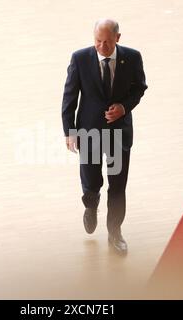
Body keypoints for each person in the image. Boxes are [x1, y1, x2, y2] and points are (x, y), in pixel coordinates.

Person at [61, 18, 148, 255]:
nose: (102, 46)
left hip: (119, 132)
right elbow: (70, 96)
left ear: (118, 38)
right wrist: (69, 131)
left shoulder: (132, 57)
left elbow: (139, 88)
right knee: (90, 180)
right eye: (98, 41)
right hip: (88, 131)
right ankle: (91, 204)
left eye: (107, 42)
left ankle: (115, 232)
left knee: (118, 185)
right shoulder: (80, 58)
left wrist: (124, 107)